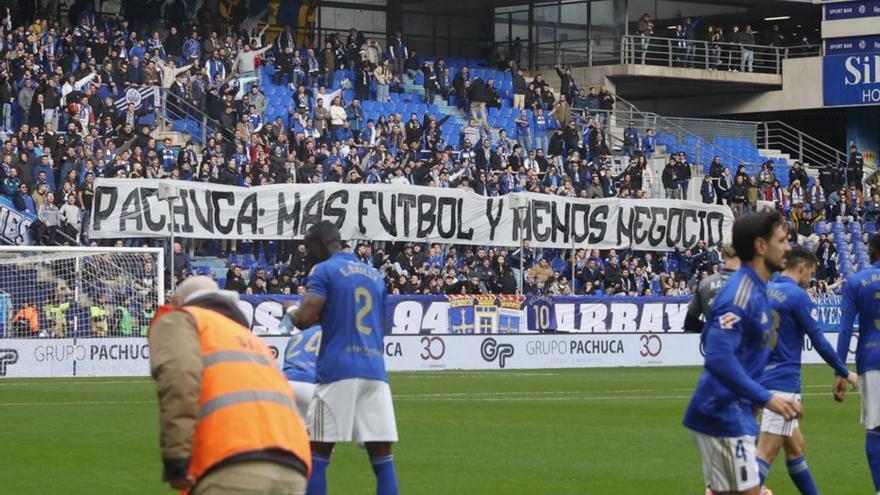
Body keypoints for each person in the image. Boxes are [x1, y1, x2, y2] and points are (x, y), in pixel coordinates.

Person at [148, 276, 311, 494]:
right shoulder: (249, 338)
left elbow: (180, 382)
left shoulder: (185, 319)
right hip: (293, 464)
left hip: (232, 459)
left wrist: (176, 458)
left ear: (178, 301)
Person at [683, 210, 801, 495]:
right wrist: (766, 398)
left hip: (735, 412)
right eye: (782, 240)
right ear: (761, 246)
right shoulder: (739, 295)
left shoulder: (759, 289)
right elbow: (718, 357)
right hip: (722, 415)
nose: (788, 247)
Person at [290, 222, 399, 495]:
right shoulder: (375, 276)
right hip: (375, 371)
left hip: (337, 370)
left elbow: (304, 320)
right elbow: (383, 326)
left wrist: (291, 310)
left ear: (321, 244)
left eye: (308, 245)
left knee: (319, 452)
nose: (306, 251)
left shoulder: (323, 270)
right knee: (382, 457)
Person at [755, 245, 858, 495]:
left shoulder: (763, 290)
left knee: (796, 447)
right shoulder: (798, 296)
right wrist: (845, 372)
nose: (810, 279)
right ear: (802, 268)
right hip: (783, 384)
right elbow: (819, 341)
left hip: (760, 378)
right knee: (765, 453)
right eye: (810, 273)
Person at [835, 233, 880, 495]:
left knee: (875, 428)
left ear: (871, 251)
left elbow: (844, 329)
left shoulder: (855, 281)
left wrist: (840, 370)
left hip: (872, 360)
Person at [683, 239, 739, 333]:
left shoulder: (705, 284)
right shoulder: (752, 284)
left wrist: (712, 328)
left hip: (715, 342)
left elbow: (689, 323)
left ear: (722, 253)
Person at [280, 302, 322, 422]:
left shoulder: (296, 336)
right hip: (309, 383)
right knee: (318, 432)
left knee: (293, 429)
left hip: (285, 383)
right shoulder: (329, 332)